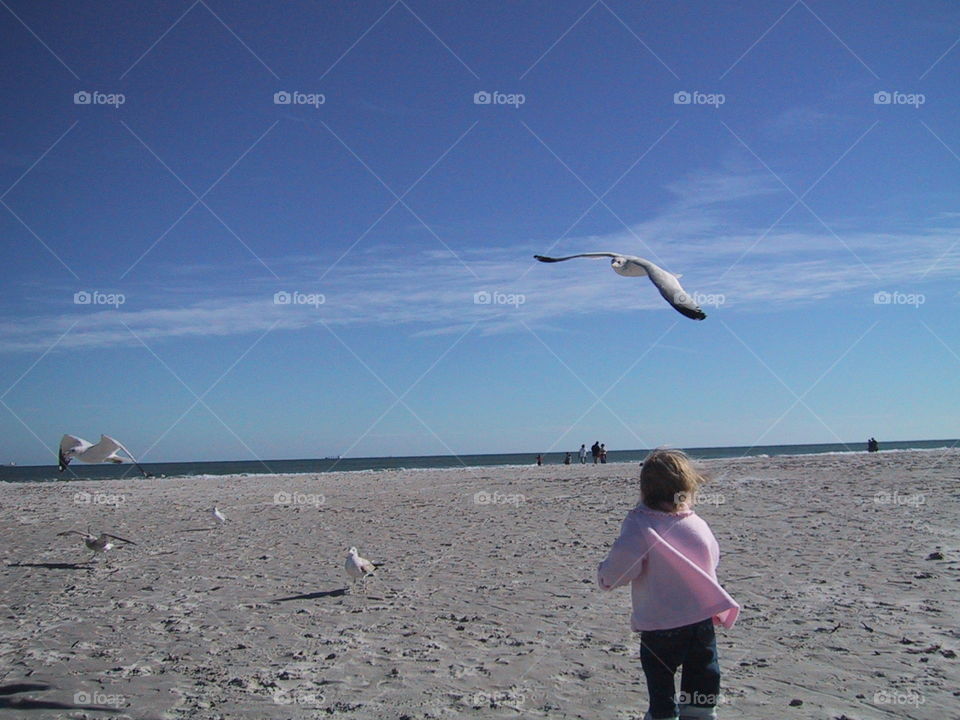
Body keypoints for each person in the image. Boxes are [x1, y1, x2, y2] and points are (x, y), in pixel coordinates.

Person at [598, 449, 739, 720]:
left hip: (660, 627)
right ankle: (699, 713)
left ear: (644, 489)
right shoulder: (696, 523)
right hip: (700, 621)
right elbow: (712, 559)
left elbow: (621, 567)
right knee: (703, 683)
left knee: (661, 690)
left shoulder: (640, 523)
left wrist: (605, 577)